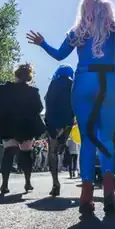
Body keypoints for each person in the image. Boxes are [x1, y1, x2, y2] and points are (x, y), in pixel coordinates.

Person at [27, 0, 115, 217]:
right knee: (105, 137)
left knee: (88, 140)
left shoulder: (77, 32)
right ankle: (108, 190)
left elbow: (59, 55)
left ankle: (86, 196)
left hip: (84, 80)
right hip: (110, 82)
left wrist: (42, 43)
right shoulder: (113, 27)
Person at [0, 64, 45, 194]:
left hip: (8, 124)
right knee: (26, 154)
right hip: (26, 126)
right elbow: (39, 108)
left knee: (8, 153)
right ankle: (27, 182)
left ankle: (4, 184)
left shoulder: (5, 88)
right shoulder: (33, 91)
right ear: (28, 77)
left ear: (16, 75)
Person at [44, 65, 76, 196]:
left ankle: (55, 182)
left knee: (52, 151)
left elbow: (48, 100)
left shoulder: (54, 83)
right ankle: (62, 147)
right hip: (67, 121)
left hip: (53, 121)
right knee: (60, 147)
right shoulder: (73, 84)